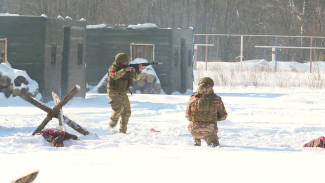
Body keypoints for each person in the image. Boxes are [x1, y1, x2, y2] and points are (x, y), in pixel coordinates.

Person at [186, 77, 227, 147]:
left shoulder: (193, 98)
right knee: (214, 146)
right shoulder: (217, 99)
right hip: (210, 131)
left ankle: (196, 140)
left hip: (194, 130)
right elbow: (223, 116)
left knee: (195, 125)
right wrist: (213, 118)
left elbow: (188, 116)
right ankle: (211, 142)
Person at [107, 53, 142, 133]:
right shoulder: (113, 68)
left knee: (127, 112)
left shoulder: (127, 68)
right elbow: (114, 76)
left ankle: (123, 131)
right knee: (119, 109)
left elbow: (136, 77)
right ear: (119, 62)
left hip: (122, 92)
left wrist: (139, 70)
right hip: (113, 91)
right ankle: (111, 127)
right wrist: (125, 70)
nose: (126, 63)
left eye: (126, 62)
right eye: (124, 62)